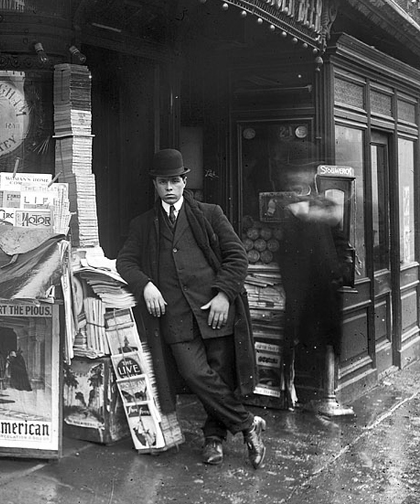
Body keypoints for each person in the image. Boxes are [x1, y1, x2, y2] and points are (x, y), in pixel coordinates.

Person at [116, 148, 266, 468]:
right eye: (161, 182)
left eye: (174, 180)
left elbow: (237, 257)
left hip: (215, 311)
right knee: (195, 374)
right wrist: (146, 284)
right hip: (176, 318)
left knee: (220, 378)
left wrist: (225, 295)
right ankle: (248, 425)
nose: (168, 188)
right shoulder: (143, 224)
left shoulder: (210, 213)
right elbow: (125, 262)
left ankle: (214, 439)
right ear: (154, 185)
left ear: (185, 181)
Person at [277, 162, 354, 417]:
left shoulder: (321, 206)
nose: (297, 178)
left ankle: (326, 397)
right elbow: (285, 253)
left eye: (301, 173)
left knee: (326, 342)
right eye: (293, 174)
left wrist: (340, 272)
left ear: (311, 176)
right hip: (302, 290)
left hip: (325, 289)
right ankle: (294, 395)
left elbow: (340, 241)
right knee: (299, 339)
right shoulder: (289, 209)